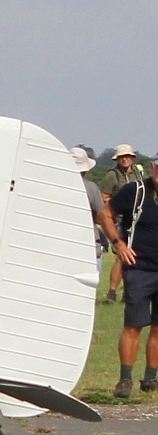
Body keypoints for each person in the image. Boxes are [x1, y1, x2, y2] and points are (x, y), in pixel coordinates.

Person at [98, 157, 158, 398]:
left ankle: (151, 376)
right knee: (133, 325)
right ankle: (125, 379)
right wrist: (118, 243)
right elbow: (105, 214)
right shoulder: (136, 191)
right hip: (139, 268)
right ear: (153, 168)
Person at [101, 144, 142, 304]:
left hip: (135, 219)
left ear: (132, 158)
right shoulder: (112, 175)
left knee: (134, 256)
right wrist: (121, 205)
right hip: (118, 219)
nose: (125, 159)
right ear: (117, 159)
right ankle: (112, 292)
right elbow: (104, 197)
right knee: (121, 255)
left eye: (127, 156)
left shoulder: (138, 173)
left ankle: (128, 292)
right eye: (121, 157)